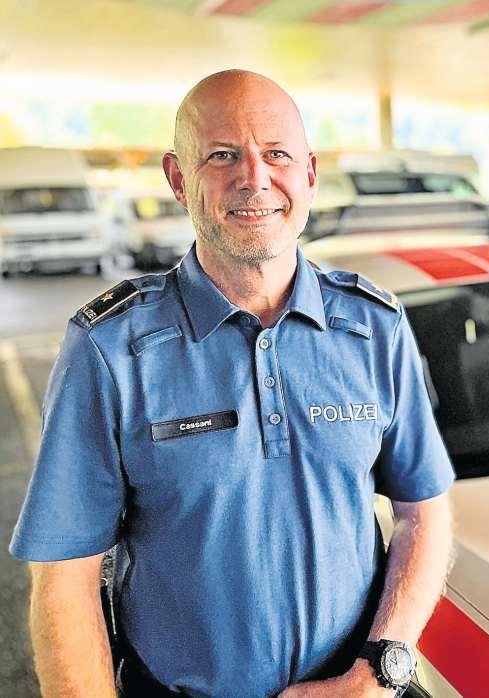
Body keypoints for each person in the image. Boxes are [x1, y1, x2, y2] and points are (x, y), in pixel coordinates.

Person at [10, 70, 454, 698]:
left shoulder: (374, 328)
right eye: (222, 155)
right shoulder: (110, 350)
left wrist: (378, 671)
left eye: (277, 154)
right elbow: (64, 576)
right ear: (177, 179)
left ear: (309, 173)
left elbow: (423, 513)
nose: (255, 177)